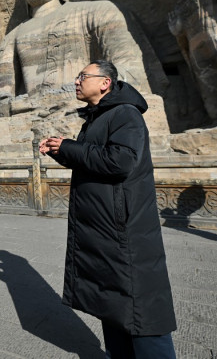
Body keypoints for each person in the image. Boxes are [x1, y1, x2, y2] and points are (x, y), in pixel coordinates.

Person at [39, 60, 177, 359]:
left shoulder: (125, 114)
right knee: (114, 306)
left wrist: (69, 147)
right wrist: (61, 150)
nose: (76, 81)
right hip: (104, 229)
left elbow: (121, 161)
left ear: (105, 83)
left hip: (123, 229)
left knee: (141, 309)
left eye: (83, 76)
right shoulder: (98, 118)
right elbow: (94, 161)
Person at [0, 0, 165, 117]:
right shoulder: (13, 36)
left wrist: (74, 93)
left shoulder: (99, 11)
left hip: (86, 108)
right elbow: (0, 94)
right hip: (31, 113)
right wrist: (11, 104)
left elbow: (131, 72)